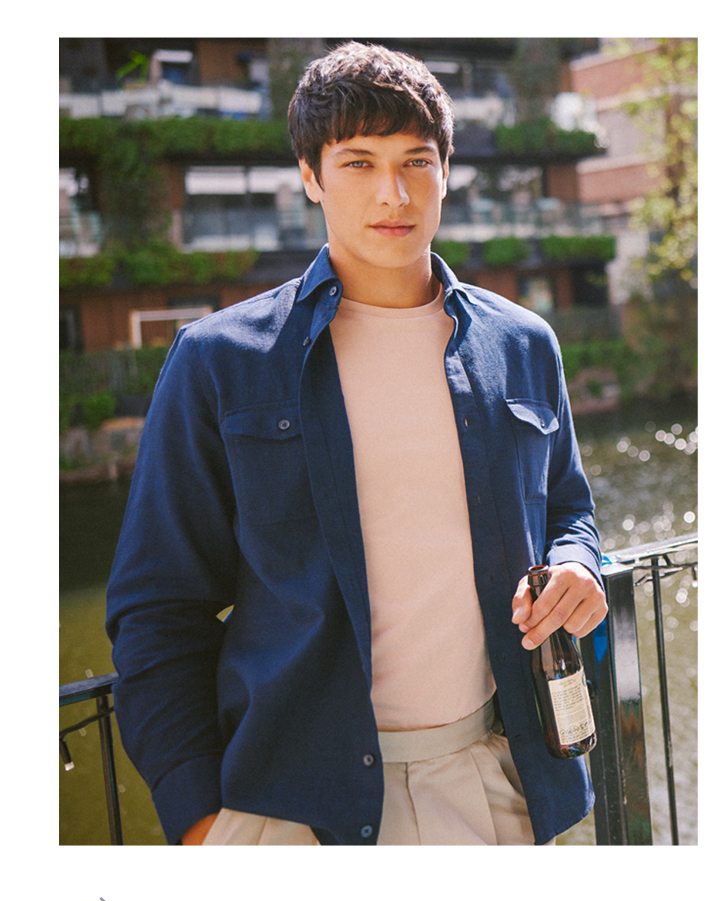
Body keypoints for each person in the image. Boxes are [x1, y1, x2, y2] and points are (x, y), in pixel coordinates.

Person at [106, 41, 607, 848]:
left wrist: (578, 564)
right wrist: (201, 822)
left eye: (416, 160)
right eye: (358, 162)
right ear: (310, 176)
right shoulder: (218, 361)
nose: (392, 193)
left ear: (446, 169)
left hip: (499, 778)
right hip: (289, 808)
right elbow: (157, 609)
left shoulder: (522, 343)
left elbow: (567, 508)